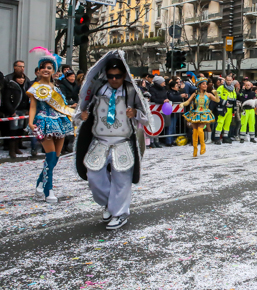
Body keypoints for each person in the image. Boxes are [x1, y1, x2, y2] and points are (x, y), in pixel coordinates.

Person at [74, 52, 151, 230]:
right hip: (100, 140)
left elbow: (146, 117)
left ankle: (120, 212)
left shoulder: (132, 90)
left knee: (121, 179)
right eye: (110, 76)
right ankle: (110, 204)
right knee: (93, 176)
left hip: (123, 141)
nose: (114, 79)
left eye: (117, 76)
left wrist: (136, 113)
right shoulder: (98, 88)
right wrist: (83, 114)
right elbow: (82, 109)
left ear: (124, 75)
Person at [27, 47, 74, 203]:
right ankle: (49, 190)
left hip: (60, 122)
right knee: (50, 156)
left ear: (54, 71)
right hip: (44, 122)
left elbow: (63, 105)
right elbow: (33, 106)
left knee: (55, 158)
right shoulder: (36, 88)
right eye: (43, 67)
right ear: (38, 71)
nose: (46, 70)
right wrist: (30, 122)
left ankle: (40, 185)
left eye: (49, 67)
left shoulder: (57, 89)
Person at [181, 77, 218, 156]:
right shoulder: (195, 94)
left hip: (204, 114)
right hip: (196, 114)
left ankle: (203, 146)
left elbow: (217, 100)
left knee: (200, 130)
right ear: (199, 85)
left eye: (206, 84)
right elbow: (188, 101)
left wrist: (216, 94)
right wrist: (182, 104)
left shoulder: (209, 94)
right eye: (203, 84)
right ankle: (195, 149)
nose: (205, 86)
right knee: (194, 131)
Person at [2, 72, 30, 158]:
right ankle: (12, 150)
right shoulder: (11, 86)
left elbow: (28, 98)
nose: (21, 80)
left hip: (23, 111)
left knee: (20, 130)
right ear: (15, 79)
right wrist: (11, 111)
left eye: (23, 78)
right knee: (13, 131)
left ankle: (17, 147)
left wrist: (28, 109)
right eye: (19, 78)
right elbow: (6, 100)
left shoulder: (25, 87)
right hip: (15, 111)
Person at [214, 75, 237, 144]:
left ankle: (225, 137)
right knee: (220, 122)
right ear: (225, 80)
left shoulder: (232, 88)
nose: (229, 81)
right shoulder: (221, 87)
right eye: (227, 80)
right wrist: (224, 102)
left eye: (230, 80)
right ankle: (217, 138)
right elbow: (217, 97)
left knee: (227, 123)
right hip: (223, 108)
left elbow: (234, 99)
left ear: (232, 80)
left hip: (230, 109)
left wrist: (234, 109)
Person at [148, 76, 168, 148]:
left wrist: (166, 99)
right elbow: (153, 98)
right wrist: (162, 101)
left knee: (159, 125)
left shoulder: (163, 89)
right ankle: (152, 141)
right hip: (153, 110)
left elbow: (166, 95)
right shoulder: (152, 89)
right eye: (163, 82)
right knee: (153, 125)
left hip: (161, 109)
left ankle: (157, 141)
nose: (164, 84)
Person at [238, 79, 257, 143]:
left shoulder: (253, 93)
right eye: (246, 85)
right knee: (243, 124)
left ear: (251, 86)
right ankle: (242, 138)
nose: (247, 86)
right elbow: (242, 99)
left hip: (252, 110)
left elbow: (256, 100)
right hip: (245, 110)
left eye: (248, 85)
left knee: (252, 123)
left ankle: (252, 138)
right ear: (244, 85)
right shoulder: (242, 93)